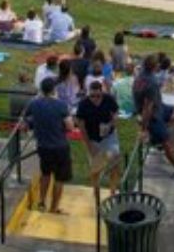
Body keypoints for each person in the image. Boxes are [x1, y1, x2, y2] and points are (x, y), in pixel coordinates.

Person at [23, 78, 75, 214]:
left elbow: (25, 121)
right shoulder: (61, 105)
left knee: (45, 174)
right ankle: (54, 208)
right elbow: (70, 126)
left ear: (41, 89)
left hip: (43, 146)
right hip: (60, 146)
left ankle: (41, 202)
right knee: (59, 178)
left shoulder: (34, 104)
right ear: (54, 90)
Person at [77, 78, 121, 184]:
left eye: (98, 96)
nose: (95, 99)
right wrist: (89, 146)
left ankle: (113, 188)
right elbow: (81, 127)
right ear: (88, 94)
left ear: (102, 93)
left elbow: (116, 114)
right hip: (92, 138)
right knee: (96, 167)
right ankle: (96, 189)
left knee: (115, 160)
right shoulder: (83, 105)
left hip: (109, 136)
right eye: (92, 96)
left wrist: (110, 125)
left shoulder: (108, 99)